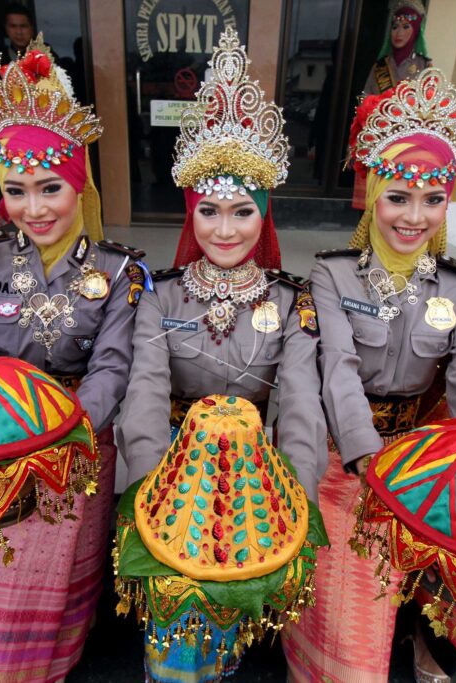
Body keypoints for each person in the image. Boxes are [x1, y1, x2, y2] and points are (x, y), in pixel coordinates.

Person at [281, 68, 456, 683]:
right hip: (344, 459)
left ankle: (420, 641)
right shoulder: (332, 276)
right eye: (399, 197)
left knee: (431, 568)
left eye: (434, 199)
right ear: (372, 195)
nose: (415, 217)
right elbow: (338, 369)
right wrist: (367, 459)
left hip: (419, 458)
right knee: (349, 620)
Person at [119, 26, 328, 682]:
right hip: (174, 482)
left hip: (251, 485)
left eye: (243, 211)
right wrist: (146, 499)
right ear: (191, 212)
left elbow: (299, 405)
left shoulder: (293, 301)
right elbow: (145, 396)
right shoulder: (160, 295)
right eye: (209, 210)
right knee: (173, 635)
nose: (226, 228)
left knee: (229, 622)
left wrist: (296, 497)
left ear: (263, 216)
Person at [0, 35, 144, 681]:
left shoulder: (120, 270)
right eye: (16, 189)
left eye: (50, 187)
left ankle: (60, 660)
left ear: (78, 184)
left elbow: (113, 366)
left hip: (79, 441)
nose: (34, 209)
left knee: (67, 581)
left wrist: (58, 437)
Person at [353, 0, 432, 210]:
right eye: (395, 26)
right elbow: (364, 99)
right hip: (377, 138)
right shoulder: (380, 66)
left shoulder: (425, 66)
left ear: (416, 31)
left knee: (396, 198)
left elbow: (428, 106)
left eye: (406, 27)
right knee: (371, 201)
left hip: (406, 143)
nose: (398, 32)